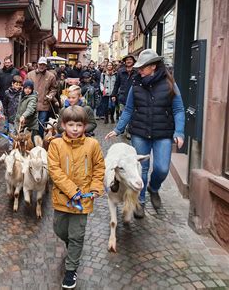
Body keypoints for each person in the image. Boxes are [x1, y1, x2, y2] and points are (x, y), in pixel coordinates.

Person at [105, 49, 185, 219]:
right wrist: (118, 129)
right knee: (141, 169)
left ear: (153, 66)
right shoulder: (136, 84)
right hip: (139, 133)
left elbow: (178, 109)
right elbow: (128, 109)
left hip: (163, 133)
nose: (139, 70)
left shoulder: (170, 83)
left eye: (142, 67)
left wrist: (179, 132)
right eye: (138, 67)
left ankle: (153, 188)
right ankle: (139, 201)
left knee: (162, 168)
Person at [48, 106, 105, 289]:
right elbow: (54, 171)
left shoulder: (93, 145)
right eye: (71, 124)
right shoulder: (55, 145)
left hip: (83, 201)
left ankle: (71, 270)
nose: (74, 129)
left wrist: (96, 187)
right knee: (60, 230)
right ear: (63, 125)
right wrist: (72, 190)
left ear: (85, 126)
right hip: (62, 199)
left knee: (77, 235)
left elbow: (99, 167)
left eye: (78, 125)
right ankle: (71, 244)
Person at [27, 56, 57, 137]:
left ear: (46, 65)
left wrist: (51, 95)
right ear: (37, 64)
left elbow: (54, 89)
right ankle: (31, 141)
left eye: (44, 64)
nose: (42, 66)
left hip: (44, 104)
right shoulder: (30, 75)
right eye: (40, 64)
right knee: (31, 125)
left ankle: (39, 140)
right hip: (31, 104)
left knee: (41, 124)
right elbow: (25, 88)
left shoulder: (51, 76)